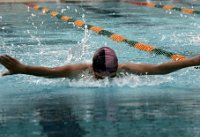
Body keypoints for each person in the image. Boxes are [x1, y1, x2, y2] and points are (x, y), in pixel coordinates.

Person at [0, 47, 199, 79]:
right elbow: (50, 72)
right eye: (99, 76)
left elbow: (159, 69)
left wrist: (193, 61)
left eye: (109, 76)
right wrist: (23, 69)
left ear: (117, 68)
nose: (104, 79)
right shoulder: (78, 70)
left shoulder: (127, 69)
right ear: (92, 69)